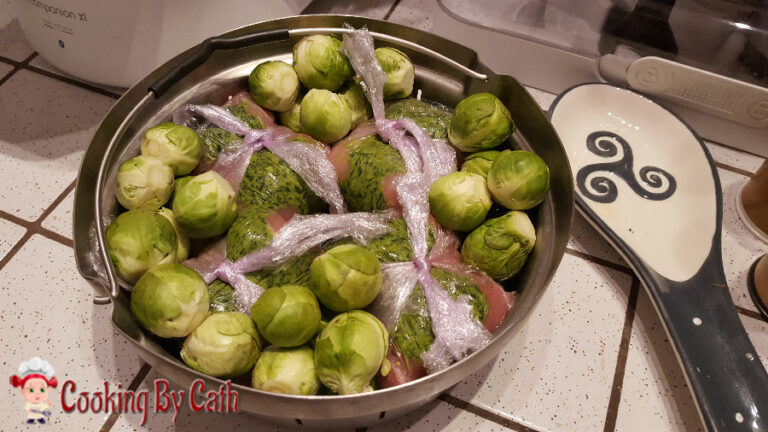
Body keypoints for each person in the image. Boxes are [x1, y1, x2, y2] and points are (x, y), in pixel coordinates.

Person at [9, 357, 58, 424]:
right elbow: (27, 407)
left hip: (40, 414)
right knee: (31, 418)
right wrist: (29, 409)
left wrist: (47, 405)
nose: (37, 393)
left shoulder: (41, 404)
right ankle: (31, 420)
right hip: (32, 414)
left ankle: (40, 420)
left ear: (48, 391)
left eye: (42, 390)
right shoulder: (29, 404)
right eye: (31, 390)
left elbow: (44, 406)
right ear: (23, 392)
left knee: (40, 418)